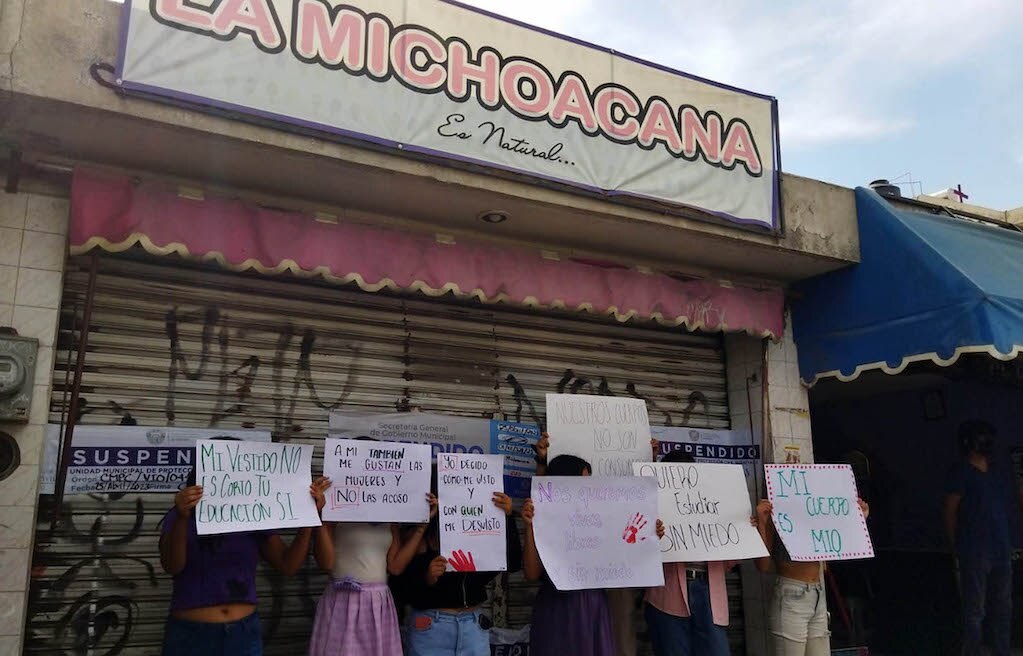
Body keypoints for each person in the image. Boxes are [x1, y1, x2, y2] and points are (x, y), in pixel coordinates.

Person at [159, 452, 330, 656]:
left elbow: (287, 565)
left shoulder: (252, 516)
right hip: (191, 635)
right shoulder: (180, 516)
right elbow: (172, 566)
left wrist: (309, 517)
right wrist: (181, 517)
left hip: (243, 635)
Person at [309, 459, 438, 656]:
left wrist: (422, 526)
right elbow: (326, 562)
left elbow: (395, 567)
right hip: (343, 601)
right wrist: (320, 515)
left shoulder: (388, 516)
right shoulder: (335, 510)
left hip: (378, 602)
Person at [396, 465, 523, 656]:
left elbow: (512, 563)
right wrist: (427, 577)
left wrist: (507, 517)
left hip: (473, 626)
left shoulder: (480, 528)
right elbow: (400, 587)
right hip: (431, 628)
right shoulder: (418, 533)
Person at [645, 449, 747, 656]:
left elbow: (730, 561)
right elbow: (636, 553)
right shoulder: (651, 507)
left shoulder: (710, 503)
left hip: (709, 591)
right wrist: (651, 534)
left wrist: (746, 529)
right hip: (667, 595)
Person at [523, 453, 616, 656]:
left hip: (593, 605)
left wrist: (651, 535)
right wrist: (530, 527)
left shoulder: (601, 516)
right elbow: (531, 573)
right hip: (557, 608)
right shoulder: (543, 517)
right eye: (580, 482)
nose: (587, 488)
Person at [756, 495, 869, 656]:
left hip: (818, 593)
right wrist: (762, 522)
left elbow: (836, 542)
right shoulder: (775, 506)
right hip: (792, 594)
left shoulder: (817, 504)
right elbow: (762, 565)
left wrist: (857, 517)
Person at [944, 420, 1019, 656]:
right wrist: (954, 544)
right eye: (983, 438)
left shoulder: (997, 471)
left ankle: (1001, 651)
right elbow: (950, 510)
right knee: (975, 611)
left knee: (1003, 607)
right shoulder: (962, 472)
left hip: (1001, 549)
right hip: (974, 550)